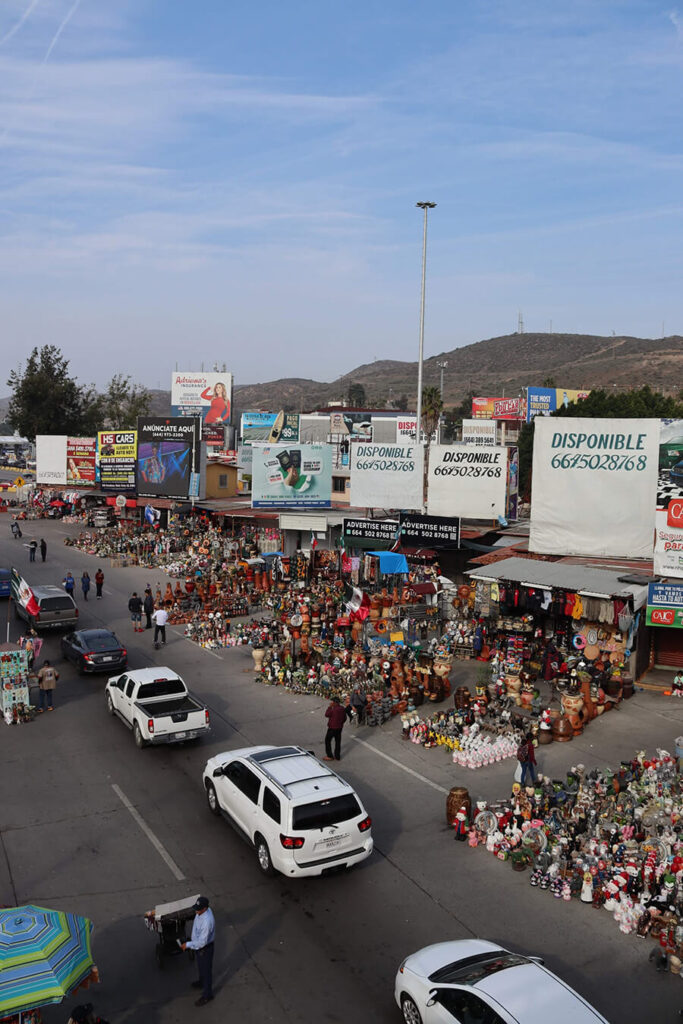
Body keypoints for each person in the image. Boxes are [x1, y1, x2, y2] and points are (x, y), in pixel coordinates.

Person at [181, 895, 215, 1006]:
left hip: (204, 948)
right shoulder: (202, 912)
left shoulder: (207, 921)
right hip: (198, 946)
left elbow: (202, 942)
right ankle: (201, 982)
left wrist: (188, 944)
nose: (196, 911)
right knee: (201, 966)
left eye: (198, 909)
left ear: (205, 909)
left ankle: (207, 995)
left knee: (206, 971)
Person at [323, 695, 351, 761]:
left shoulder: (333, 709)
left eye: (332, 701)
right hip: (339, 728)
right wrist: (340, 723)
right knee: (338, 742)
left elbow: (326, 714)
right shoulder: (342, 708)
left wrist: (329, 707)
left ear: (335, 702)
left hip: (332, 728)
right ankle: (337, 756)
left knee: (327, 741)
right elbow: (345, 718)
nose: (331, 702)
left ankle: (330, 755)